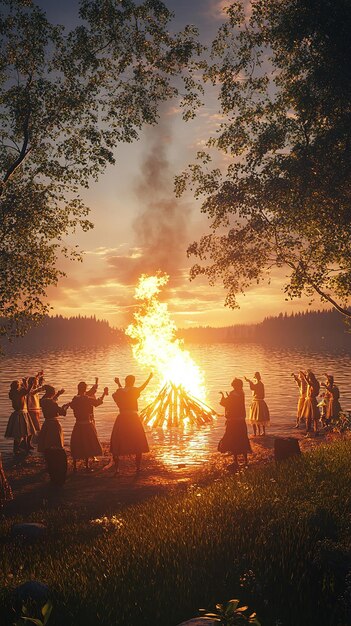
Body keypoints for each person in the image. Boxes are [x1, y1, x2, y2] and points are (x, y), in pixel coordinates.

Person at [110, 373, 152, 475]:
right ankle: (137, 468)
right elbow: (142, 387)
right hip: (133, 418)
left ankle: (117, 469)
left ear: (125, 382)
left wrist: (118, 384)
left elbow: (119, 394)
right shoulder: (134, 390)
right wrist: (149, 378)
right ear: (133, 382)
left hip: (122, 417)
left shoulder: (120, 391)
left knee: (118, 440)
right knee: (137, 440)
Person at [70, 382, 108, 471]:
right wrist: (103, 394)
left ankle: (75, 465)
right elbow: (98, 403)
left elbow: (72, 406)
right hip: (87, 424)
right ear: (85, 389)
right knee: (87, 443)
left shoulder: (75, 399)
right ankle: (86, 465)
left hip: (78, 424)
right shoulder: (87, 399)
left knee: (77, 443)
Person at [218, 378, 251, 471]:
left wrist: (222, 396)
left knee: (233, 439)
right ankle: (246, 461)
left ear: (234, 385)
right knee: (242, 438)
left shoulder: (233, 394)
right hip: (241, 420)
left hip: (233, 421)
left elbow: (226, 404)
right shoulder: (242, 393)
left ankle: (236, 461)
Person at [4, 379, 37, 454]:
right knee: (25, 431)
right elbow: (27, 391)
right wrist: (30, 383)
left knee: (22, 432)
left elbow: (25, 391)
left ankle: (23, 446)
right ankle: (19, 448)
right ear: (17, 386)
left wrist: (25, 383)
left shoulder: (12, 393)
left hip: (18, 413)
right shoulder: (19, 392)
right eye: (19, 384)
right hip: (22, 414)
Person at [37, 385, 69, 452]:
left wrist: (58, 394)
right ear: (51, 393)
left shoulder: (42, 401)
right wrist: (65, 407)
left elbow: (51, 399)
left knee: (46, 439)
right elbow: (61, 412)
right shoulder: (52, 403)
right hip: (54, 423)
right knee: (55, 439)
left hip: (46, 422)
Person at [244, 372, 270, 436]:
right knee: (258, 418)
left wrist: (249, 381)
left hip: (258, 402)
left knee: (258, 418)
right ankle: (258, 432)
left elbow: (252, 388)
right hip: (257, 402)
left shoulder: (259, 384)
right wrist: (249, 381)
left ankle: (259, 432)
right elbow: (253, 387)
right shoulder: (259, 384)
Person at [26, 371, 45, 450]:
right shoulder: (30, 391)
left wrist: (39, 376)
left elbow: (38, 386)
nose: (37, 384)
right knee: (32, 428)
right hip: (31, 411)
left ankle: (28, 443)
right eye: (35, 383)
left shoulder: (33, 390)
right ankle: (28, 443)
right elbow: (35, 390)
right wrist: (43, 388)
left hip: (36, 411)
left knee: (33, 428)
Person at [300, 370, 320, 436]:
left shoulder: (313, 383)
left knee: (313, 417)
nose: (308, 378)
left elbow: (308, 383)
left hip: (311, 401)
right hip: (309, 400)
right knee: (309, 417)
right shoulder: (314, 383)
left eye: (309, 377)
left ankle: (314, 430)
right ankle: (309, 430)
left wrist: (304, 376)